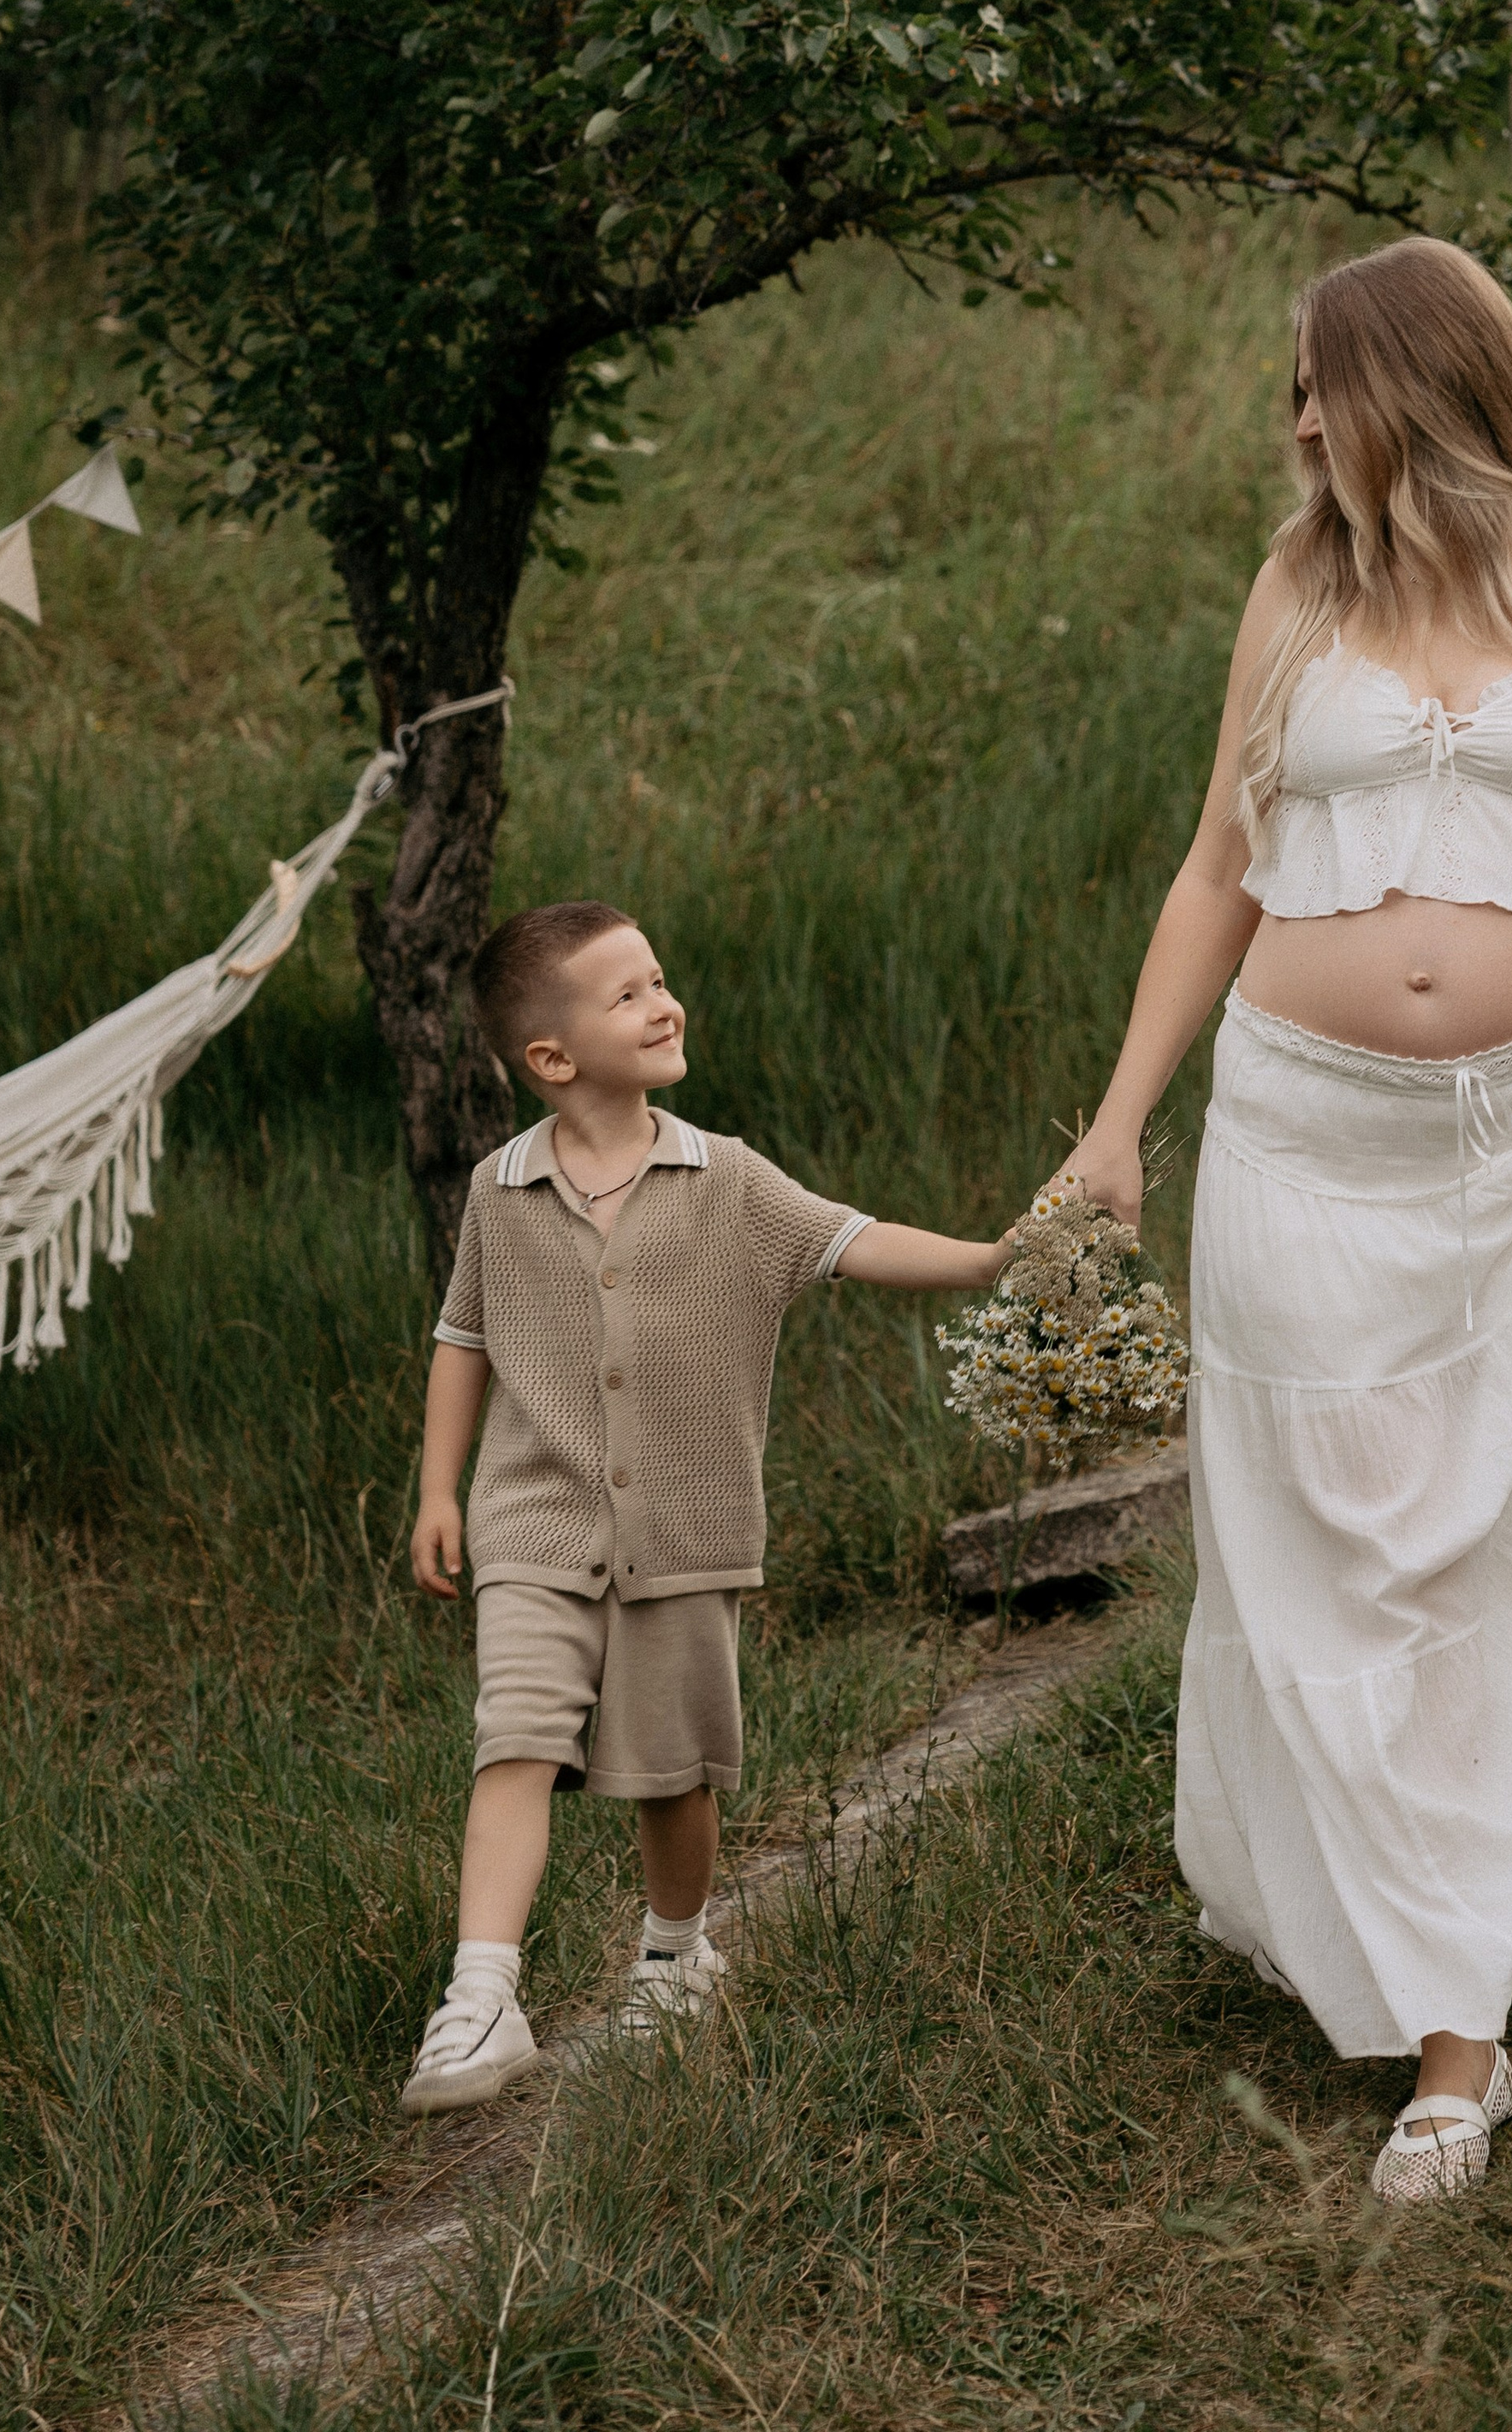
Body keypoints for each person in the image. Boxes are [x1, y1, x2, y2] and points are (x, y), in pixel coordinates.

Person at [1062, 234, 1512, 2204]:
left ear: (1418, 382)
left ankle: (1461, 2016)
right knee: (1330, 1569)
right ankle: (1415, 1981)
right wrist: (1118, 1123)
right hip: (1302, 1145)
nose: (1293, 419)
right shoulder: (1296, 585)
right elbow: (1219, 867)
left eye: (1317, 381)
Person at [400, 898, 1013, 2114]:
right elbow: (461, 1336)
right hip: (533, 1524)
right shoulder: (499, 1190)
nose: (662, 1002)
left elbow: (854, 1240)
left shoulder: (724, 1177)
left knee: (672, 1775)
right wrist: (437, 1489)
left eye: (660, 979)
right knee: (514, 1740)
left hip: (683, 1532)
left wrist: (996, 1259)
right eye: (626, 994)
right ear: (552, 1058)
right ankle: (481, 1997)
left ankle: (677, 1955)